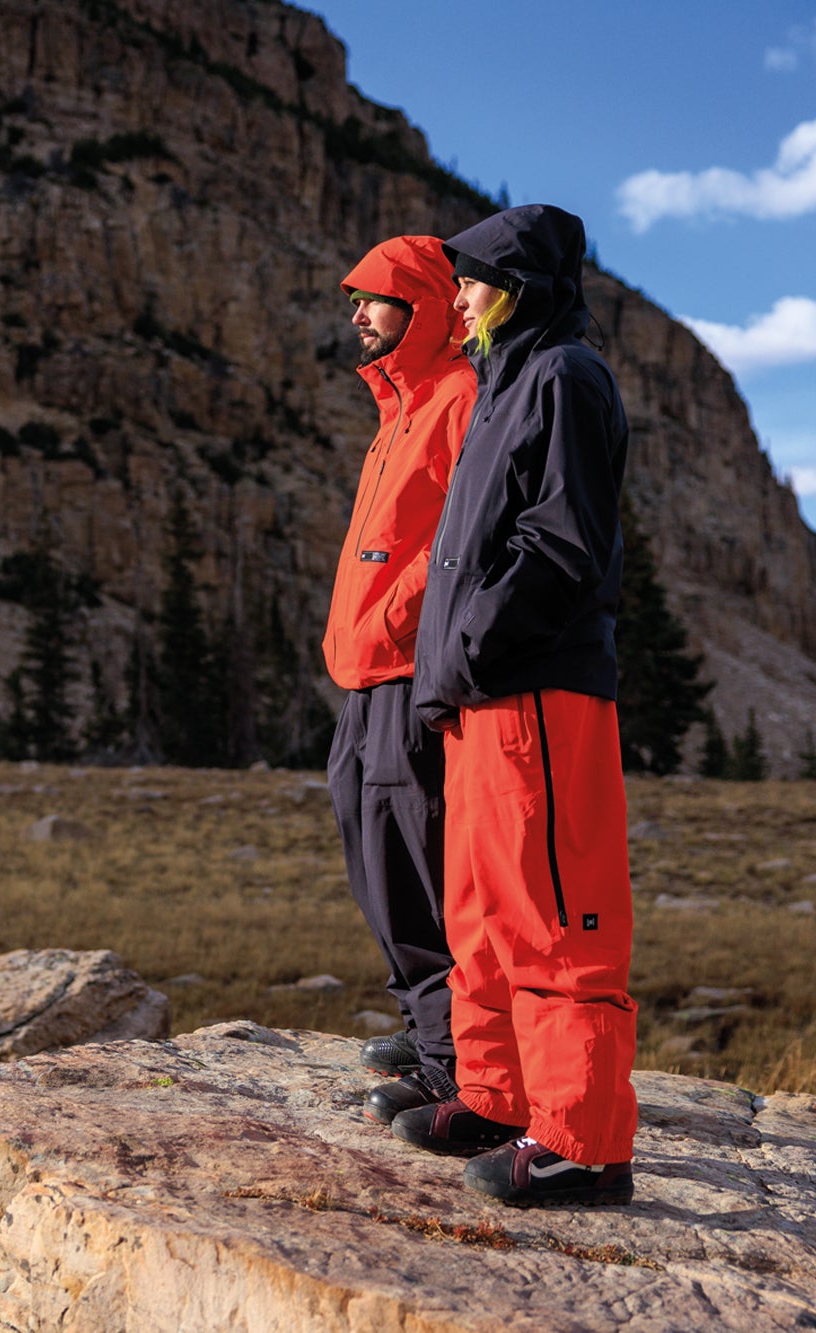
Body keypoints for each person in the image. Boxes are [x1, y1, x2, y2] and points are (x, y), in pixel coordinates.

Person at [390, 204, 638, 1207]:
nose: (454, 297)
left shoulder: (563, 376)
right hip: (482, 698)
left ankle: (581, 1140)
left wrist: (476, 639)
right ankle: (496, 1095)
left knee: (550, 918)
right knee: (481, 911)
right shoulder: (498, 386)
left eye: (472, 278)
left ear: (522, 284)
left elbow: (564, 541)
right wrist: (446, 665)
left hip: (537, 686)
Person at [320, 236, 476, 1126]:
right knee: (369, 836)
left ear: (419, 304)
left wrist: (392, 621)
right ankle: (427, 1027)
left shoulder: (459, 397)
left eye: (373, 299)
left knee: (414, 851)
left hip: (407, 665)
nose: (357, 316)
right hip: (366, 670)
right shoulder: (400, 407)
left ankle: (455, 1058)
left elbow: (460, 541)